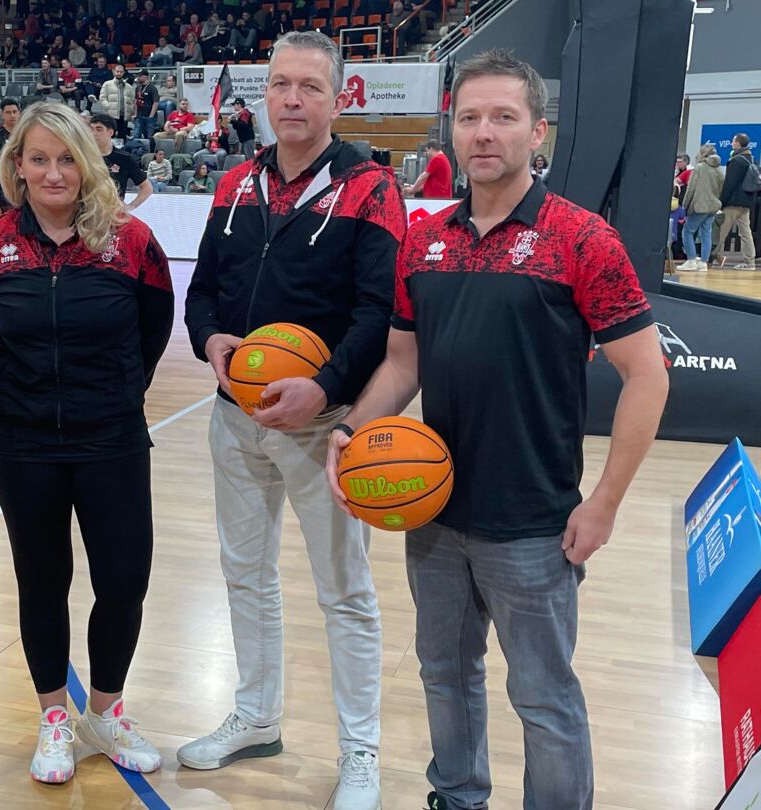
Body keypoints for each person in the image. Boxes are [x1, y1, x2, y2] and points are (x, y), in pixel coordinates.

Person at [324, 49, 669, 810]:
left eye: (504, 117)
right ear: (450, 128)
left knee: (544, 700)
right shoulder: (424, 239)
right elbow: (402, 362)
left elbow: (649, 376)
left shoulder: (582, 239)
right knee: (445, 676)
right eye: (470, 117)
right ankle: (456, 795)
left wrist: (603, 504)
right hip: (434, 509)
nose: (484, 133)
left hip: (535, 522)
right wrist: (352, 430)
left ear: (536, 133)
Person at [181, 31, 408, 810]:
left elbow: (380, 313)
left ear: (339, 98)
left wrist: (326, 386)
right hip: (233, 418)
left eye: (311, 86)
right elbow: (203, 287)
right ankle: (255, 716)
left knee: (343, 591)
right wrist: (207, 338)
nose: (293, 99)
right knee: (245, 575)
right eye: (281, 84)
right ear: (265, 94)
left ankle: (361, 752)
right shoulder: (233, 181)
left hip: (324, 422)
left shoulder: (372, 189)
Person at [0, 100, 173, 787]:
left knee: (123, 581)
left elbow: (153, 330)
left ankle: (106, 712)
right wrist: (33, 395)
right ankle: (55, 716)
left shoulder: (130, 240)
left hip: (111, 437)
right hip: (22, 444)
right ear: (17, 168)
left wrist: (111, 395)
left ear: (88, 164)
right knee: (41, 582)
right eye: (38, 158)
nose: (53, 172)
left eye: (66, 158)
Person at [88, 112, 153, 211]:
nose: (94, 133)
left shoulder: (124, 158)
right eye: (91, 129)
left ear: (110, 132)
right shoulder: (84, 156)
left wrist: (130, 207)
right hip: (88, 211)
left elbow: (147, 188)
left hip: (113, 213)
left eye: (99, 129)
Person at [680, 143, 724, 272]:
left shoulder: (699, 168)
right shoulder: (718, 169)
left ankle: (691, 260)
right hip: (713, 205)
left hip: (700, 205)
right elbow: (721, 188)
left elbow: (691, 188)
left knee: (687, 231)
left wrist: (685, 205)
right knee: (706, 234)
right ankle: (703, 262)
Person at [718, 133, 757, 270]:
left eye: (733, 141)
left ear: (738, 143)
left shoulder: (736, 161)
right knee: (745, 232)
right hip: (746, 201)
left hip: (733, 202)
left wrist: (721, 202)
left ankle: (711, 258)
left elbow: (730, 183)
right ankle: (750, 262)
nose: (731, 143)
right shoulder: (751, 159)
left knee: (720, 231)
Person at [0, 98, 23, 216]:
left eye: (14, 112)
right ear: (2, 114)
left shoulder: (26, 134)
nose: (12, 115)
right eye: (8, 112)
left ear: (19, 113)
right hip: (3, 192)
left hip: (24, 189)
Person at [97, 64, 134, 140]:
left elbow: (132, 101)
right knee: (110, 136)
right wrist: (108, 107)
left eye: (121, 72)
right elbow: (102, 98)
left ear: (123, 73)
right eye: (117, 71)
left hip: (124, 115)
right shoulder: (107, 84)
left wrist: (130, 112)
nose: (119, 73)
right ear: (113, 71)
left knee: (122, 137)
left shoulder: (129, 87)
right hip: (111, 114)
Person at [134, 70, 160, 142]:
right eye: (138, 76)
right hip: (139, 115)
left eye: (140, 76)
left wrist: (151, 116)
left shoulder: (152, 88)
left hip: (149, 115)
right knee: (136, 134)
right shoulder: (138, 88)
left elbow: (155, 102)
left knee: (149, 136)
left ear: (146, 77)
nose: (138, 78)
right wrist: (135, 113)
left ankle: (150, 151)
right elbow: (136, 101)